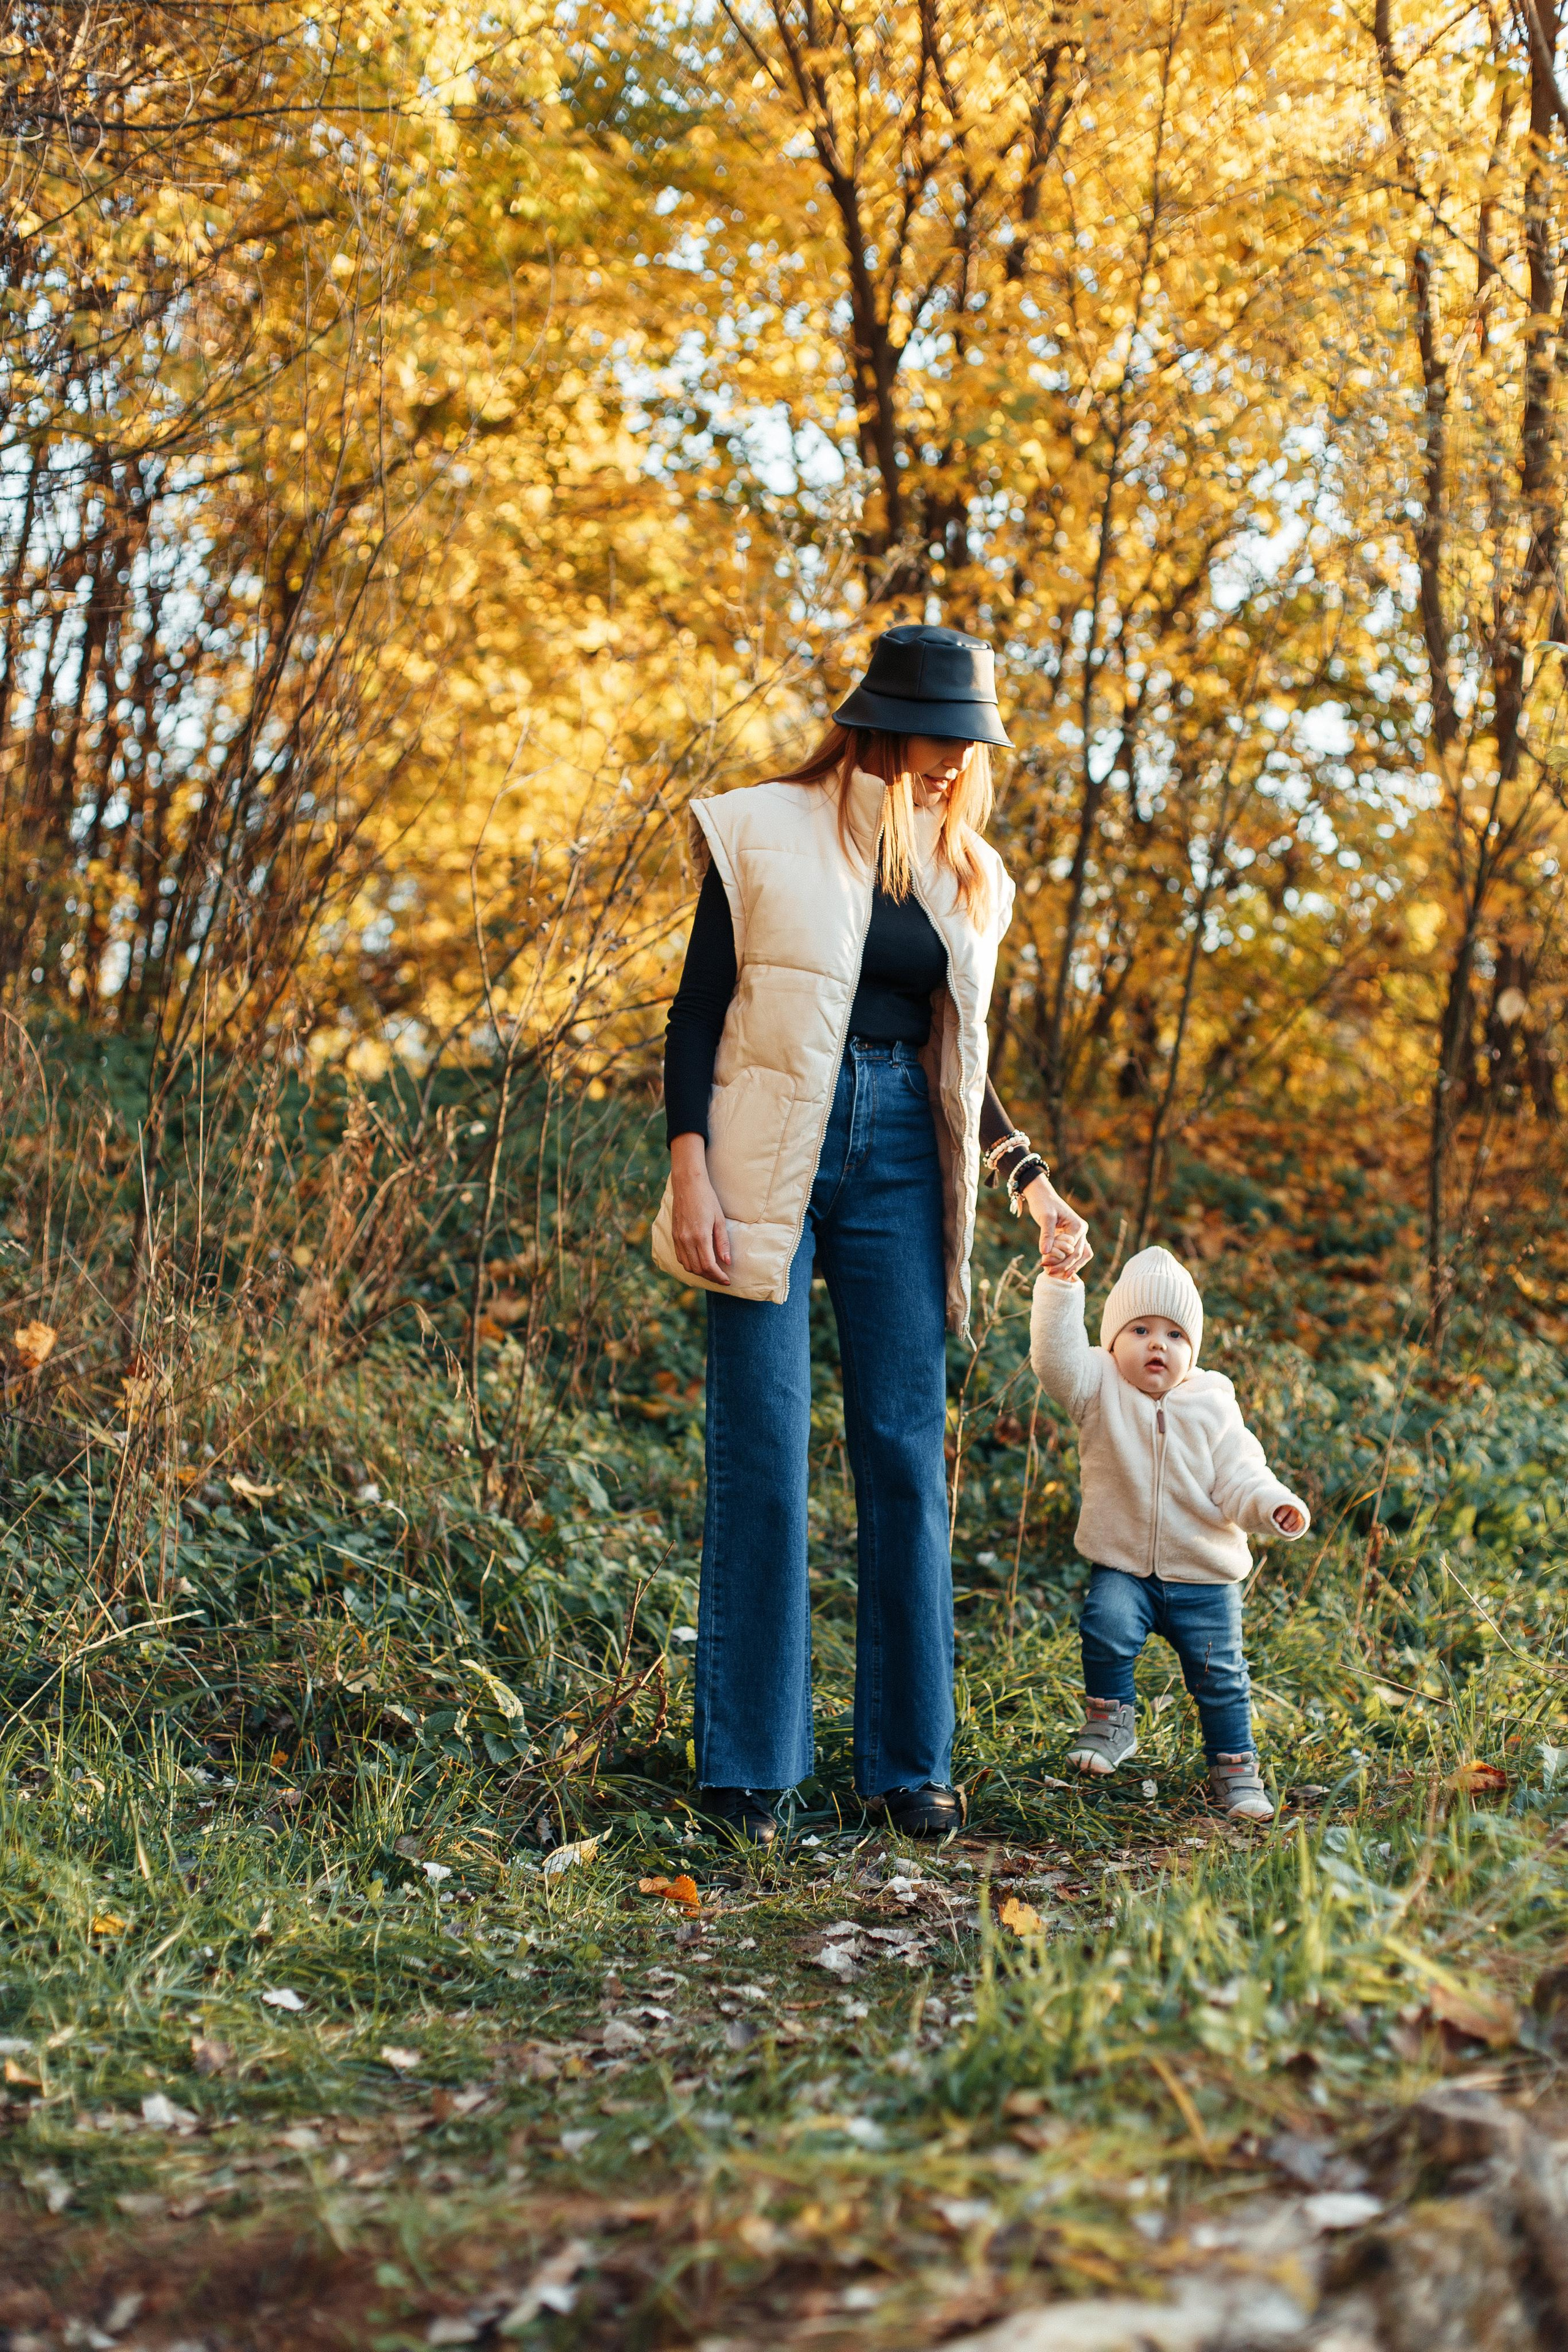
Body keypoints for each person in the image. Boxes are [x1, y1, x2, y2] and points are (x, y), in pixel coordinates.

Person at [654, 623, 1091, 1845]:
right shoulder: (763, 831)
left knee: (903, 1455)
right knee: (766, 1452)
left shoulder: (970, 876)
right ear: (879, 724)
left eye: (971, 741)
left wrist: (1030, 1184)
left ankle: (907, 1767)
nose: (956, 760)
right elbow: (696, 1014)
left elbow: (966, 1069)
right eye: (939, 735)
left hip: (906, 1156)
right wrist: (688, 1166)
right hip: (761, 1159)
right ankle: (748, 1771)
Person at [1028, 1245, 1310, 1821]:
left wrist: (1273, 1504)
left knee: (1221, 1679)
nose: (1158, 1344)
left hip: (1204, 1576)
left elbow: (1241, 1475)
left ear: (1194, 1350)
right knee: (1104, 1623)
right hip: (1124, 1567)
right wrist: (1060, 1285)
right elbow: (1053, 1360)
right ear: (1112, 1341)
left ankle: (1236, 1773)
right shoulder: (1097, 1387)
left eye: (1175, 1335)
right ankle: (1111, 1722)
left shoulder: (1212, 1403)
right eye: (1140, 1329)